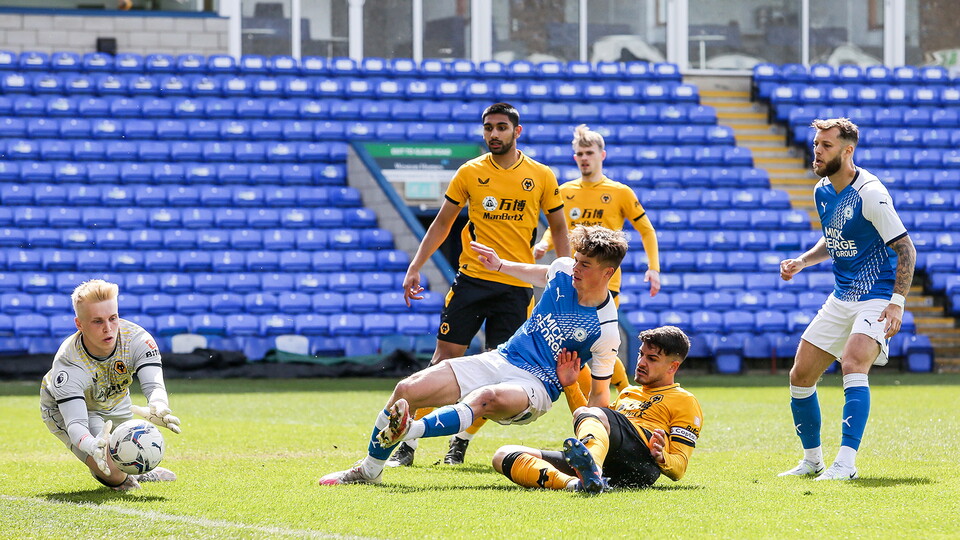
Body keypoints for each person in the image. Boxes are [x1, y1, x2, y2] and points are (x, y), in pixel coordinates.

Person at [319, 225, 626, 486]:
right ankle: (369, 470)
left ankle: (409, 431)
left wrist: (593, 450)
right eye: (576, 260)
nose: (575, 268)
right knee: (407, 389)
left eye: (585, 265)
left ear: (608, 273)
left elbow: (599, 397)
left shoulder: (606, 329)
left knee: (486, 397)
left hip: (537, 387)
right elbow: (542, 273)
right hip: (502, 358)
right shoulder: (563, 270)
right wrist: (500, 266)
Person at [395, 102, 571, 466]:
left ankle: (459, 442)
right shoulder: (470, 172)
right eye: (488, 127)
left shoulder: (540, 175)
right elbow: (443, 223)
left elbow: (558, 227)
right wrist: (416, 265)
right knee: (443, 361)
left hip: (515, 287)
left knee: (501, 372)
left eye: (501, 127)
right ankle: (407, 445)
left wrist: (566, 274)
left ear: (517, 131)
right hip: (471, 282)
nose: (494, 133)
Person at [777, 118, 916, 481]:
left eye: (826, 146)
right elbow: (834, 237)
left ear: (848, 150)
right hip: (842, 296)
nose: (817, 152)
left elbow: (906, 249)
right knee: (800, 375)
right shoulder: (822, 190)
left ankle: (846, 464)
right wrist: (803, 261)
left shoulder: (870, 193)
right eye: (816, 145)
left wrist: (897, 303)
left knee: (853, 363)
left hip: (877, 296)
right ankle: (812, 461)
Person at [492, 325, 702, 493]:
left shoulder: (685, 400)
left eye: (652, 358)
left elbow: (680, 467)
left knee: (592, 414)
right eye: (641, 354)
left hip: (641, 461)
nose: (641, 362)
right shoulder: (629, 393)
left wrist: (662, 457)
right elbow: (591, 423)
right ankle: (577, 484)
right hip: (611, 460)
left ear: (673, 366)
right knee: (503, 455)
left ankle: (592, 468)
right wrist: (570, 385)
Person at [533, 124, 661, 395]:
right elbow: (557, 228)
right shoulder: (565, 191)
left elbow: (647, 230)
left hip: (605, 281)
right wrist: (544, 244)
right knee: (575, 346)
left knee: (594, 342)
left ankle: (621, 394)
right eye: (580, 154)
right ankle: (615, 396)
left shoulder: (619, 192)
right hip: (573, 278)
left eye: (589, 152)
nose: (584, 158)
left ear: (602, 155)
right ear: (574, 157)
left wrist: (654, 268)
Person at [39, 279, 182, 491]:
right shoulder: (68, 365)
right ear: (79, 324)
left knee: (127, 449)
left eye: (113, 318)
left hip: (114, 396)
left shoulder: (137, 339)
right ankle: (122, 475)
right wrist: (90, 445)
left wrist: (158, 404)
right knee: (112, 472)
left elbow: (154, 386)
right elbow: (76, 424)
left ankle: (136, 471)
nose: (108, 328)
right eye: (97, 322)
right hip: (71, 409)